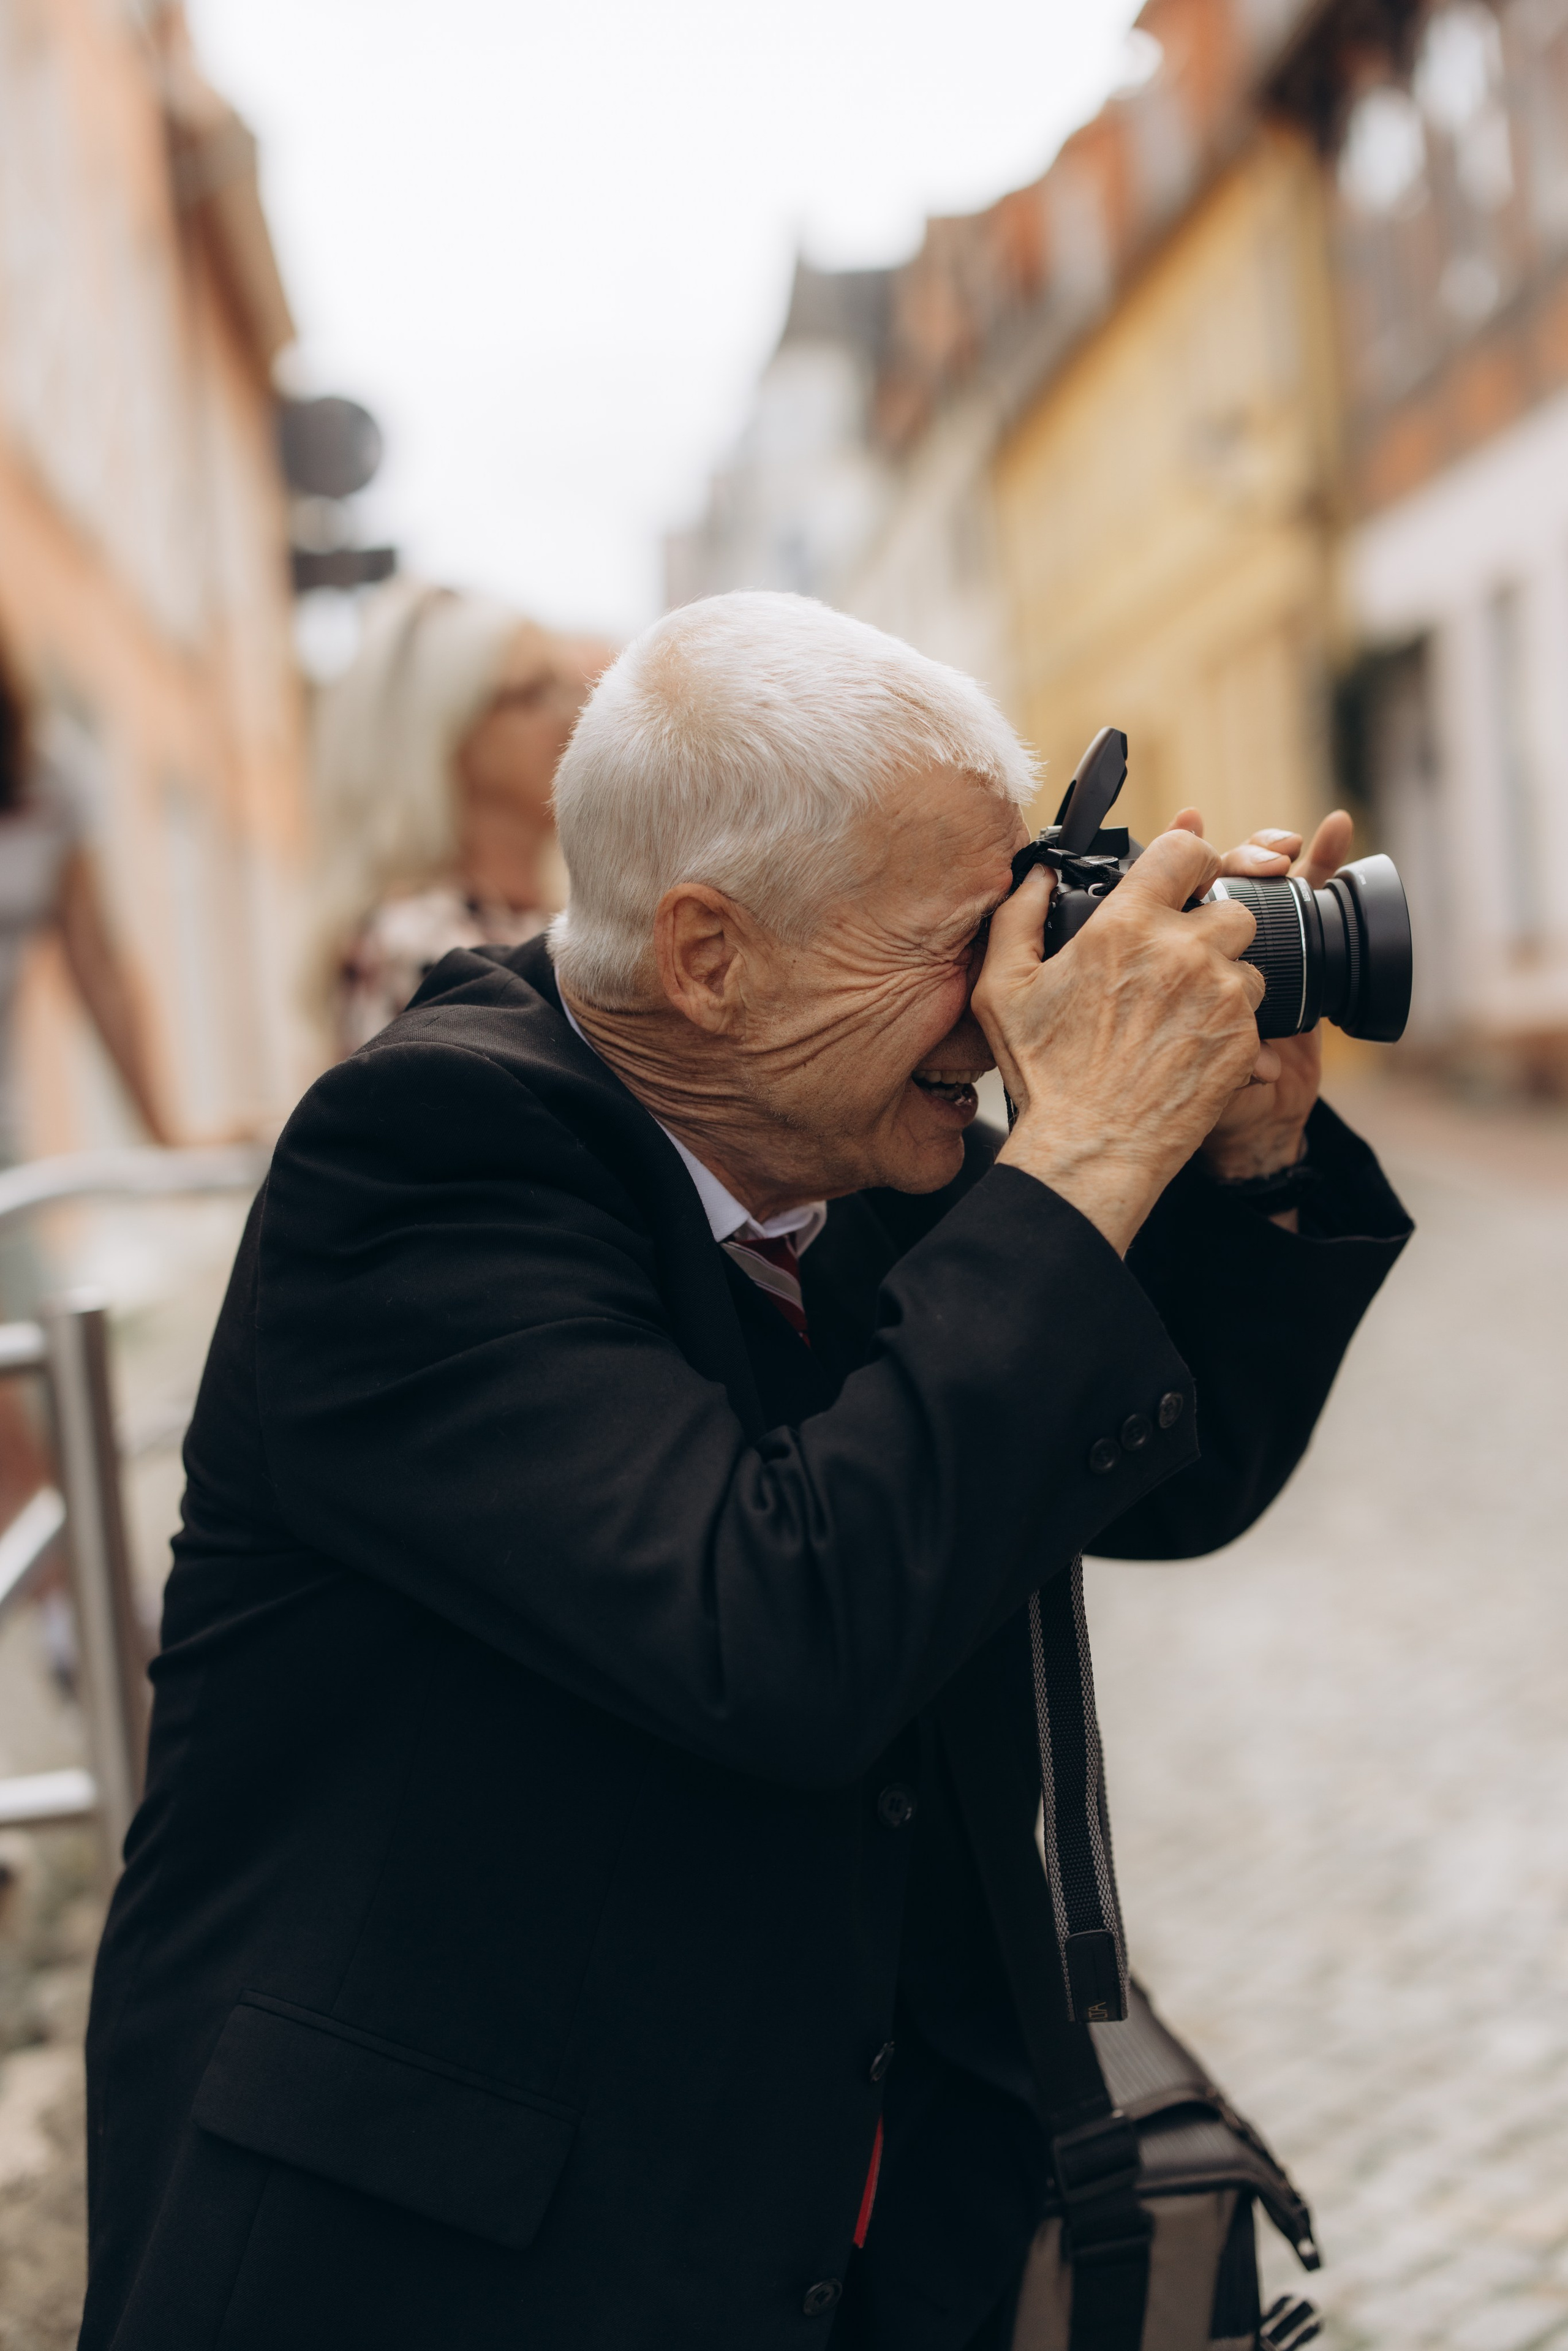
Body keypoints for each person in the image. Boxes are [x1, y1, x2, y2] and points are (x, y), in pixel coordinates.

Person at [80, 594, 1410, 2351]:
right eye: (959, 938)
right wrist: (1077, 1156)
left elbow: (1148, 1474)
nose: (1000, 1004)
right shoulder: (425, 1164)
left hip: (847, 2210)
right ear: (710, 953)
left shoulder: (842, 1139)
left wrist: (1242, 1147)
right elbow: (768, 1621)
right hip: (477, 2258)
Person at [0, 637, 173, 1526]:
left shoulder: (45, 778)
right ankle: (73, 1608)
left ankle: (83, 1609)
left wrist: (163, 1129)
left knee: (45, 1392)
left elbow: (98, 965)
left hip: (3, 1136)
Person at [305, 575, 613, 1057]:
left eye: (570, 686)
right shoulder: (423, 949)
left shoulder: (548, 919)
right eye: (536, 692)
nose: (576, 713)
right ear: (450, 732)